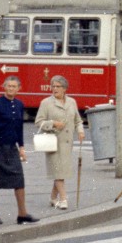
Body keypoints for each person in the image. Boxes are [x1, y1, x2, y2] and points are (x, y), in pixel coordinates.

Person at [0, 75, 36, 224]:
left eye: (14, 86)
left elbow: (19, 128)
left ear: (19, 89)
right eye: (9, 86)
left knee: (19, 178)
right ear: (3, 87)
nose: (11, 88)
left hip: (11, 148)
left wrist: (22, 147)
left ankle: (22, 214)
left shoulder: (19, 104)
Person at [35, 75, 85, 210]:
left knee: (60, 172)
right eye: (53, 86)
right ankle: (63, 199)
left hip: (67, 143)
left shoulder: (72, 102)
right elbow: (38, 122)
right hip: (53, 143)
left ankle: (52, 198)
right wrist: (53, 123)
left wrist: (80, 131)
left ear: (64, 89)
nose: (55, 89)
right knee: (58, 173)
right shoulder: (46, 103)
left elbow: (78, 120)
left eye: (58, 86)